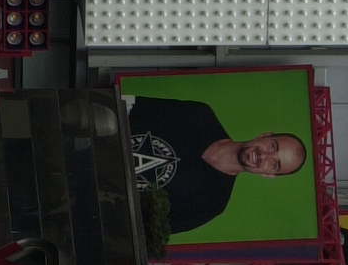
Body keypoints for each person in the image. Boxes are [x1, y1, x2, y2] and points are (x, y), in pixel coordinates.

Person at [125, 95, 307, 234]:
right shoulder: (200, 116)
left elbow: (141, 232)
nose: (263, 156)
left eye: (274, 164)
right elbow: (129, 105)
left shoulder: (213, 204)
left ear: (268, 175)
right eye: (272, 146)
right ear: (265, 135)